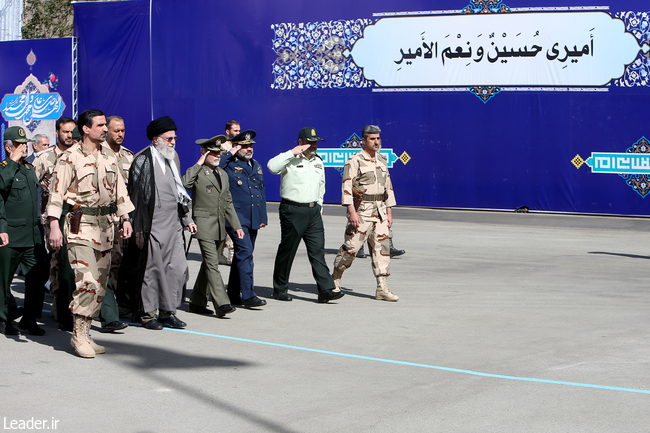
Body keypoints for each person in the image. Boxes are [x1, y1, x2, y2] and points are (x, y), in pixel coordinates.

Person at [47, 109, 134, 357]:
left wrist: (125, 217)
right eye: (100, 125)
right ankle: (78, 335)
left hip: (106, 227)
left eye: (106, 125)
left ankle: (87, 333)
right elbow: (56, 193)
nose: (105, 129)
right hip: (80, 227)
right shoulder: (69, 157)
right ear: (86, 129)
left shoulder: (109, 156)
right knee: (87, 282)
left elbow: (120, 190)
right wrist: (54, 225)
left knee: (100, 285)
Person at [121, 116, 196, 330]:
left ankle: (167, 311)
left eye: (175, 138)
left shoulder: (174, 158)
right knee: (153, 271)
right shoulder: (142, 160)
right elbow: (136, 197)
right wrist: (138, 229)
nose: (173, 142)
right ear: (156, 140)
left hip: (173, 226)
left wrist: (187, 219)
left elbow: (179, 191)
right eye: (169, 138)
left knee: (177, 269)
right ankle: (148, 314)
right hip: (151, 226)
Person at [267, 127, 344, 304]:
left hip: (314, 211)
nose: (313, 145)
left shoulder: (318, 161)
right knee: (288, 250)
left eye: (315, 142)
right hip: (293, 210)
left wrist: (320, 207)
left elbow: (321, 186)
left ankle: (325, 289)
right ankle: (280, 289)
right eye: (309, 142)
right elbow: (272, 167)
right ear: (300, 142)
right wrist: (292, 152)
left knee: (317, 251)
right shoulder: (289, 159)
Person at [331, 125, 399, 302]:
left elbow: (388, 187)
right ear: (364, 140)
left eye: (378, 138)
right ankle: (335, 278)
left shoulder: (382, 160)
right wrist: (351, 212)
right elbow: (347, 187)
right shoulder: (355, 160)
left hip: (381, 211)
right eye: (372, 139)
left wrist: (389, 211)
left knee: (382, 250)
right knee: (352, 248)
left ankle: (382, 288)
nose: (376, 142)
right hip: (362, 211)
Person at [182, 135, 244, 317]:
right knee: (212, 265)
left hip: (219, 226)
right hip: (203, 225)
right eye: (213, 153)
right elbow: (185, 184)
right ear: (204, 153)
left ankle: (197, 301)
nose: (218, 156)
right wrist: (199, 162)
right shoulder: (198, 172)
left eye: (219, 152)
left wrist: (236, 226)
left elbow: (228, 202)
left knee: (209, 265)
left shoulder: (223, 174)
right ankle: (222, 303)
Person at [0, 126, 46, 336]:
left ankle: (29, 317)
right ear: (9, 148)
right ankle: (4, 318)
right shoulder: (3, 168)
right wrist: (10, 163)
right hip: (10, 234)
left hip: (32, 235)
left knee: (37, 277)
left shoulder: (29, 169)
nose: (24, 147)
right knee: (4, 280)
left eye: (25, 143)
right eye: (19, 144)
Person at [34, 117, 77, 330]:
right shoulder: (44, 158)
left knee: (73, 267)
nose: (69, 135)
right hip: (51, 220)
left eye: (72, 131)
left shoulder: (81, 154)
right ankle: (60, 311)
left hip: (77, 220)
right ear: (57, 132)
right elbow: (32, 186)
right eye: (65, 131)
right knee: (57, 265)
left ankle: (70, 309)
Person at [219, 129, 268, 308]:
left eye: (250, 146)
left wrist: (262, 216)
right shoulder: (229, 164)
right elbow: (215, 168)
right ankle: (248, 295)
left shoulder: (256, 165)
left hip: (253, 218)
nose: (249, 149)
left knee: (242, 256)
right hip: (236, 218)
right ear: (236, 147)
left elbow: (260, 192)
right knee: (245, 253)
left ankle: (233, 293)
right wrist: (229, 152)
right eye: (244, 146)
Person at [99, 115, 134, 332]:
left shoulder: (129, 156)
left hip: (123, 219)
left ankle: (116, 307)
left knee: (119, 266)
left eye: (122, 130)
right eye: (116, 130)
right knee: (104, 267)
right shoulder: (98, 154)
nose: (120, 134)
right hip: (102, 219)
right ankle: (107, 313)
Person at [218, 120, 242, 265]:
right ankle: (222, 252)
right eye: (235, 131)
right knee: (224, 222)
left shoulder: (239, 145)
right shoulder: (221, 146)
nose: (238, 133)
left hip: (235, 188)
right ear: (227, 131)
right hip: (224, 188)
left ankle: (232, 251)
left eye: (239, 131)